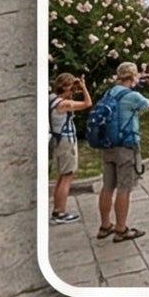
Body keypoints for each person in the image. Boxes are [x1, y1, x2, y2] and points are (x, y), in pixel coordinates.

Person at [91, 59, 149, 243]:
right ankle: (121, 228)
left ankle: (105, 225)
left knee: (107, 186)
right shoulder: (132, 96)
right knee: (124, 188)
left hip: (108, 145)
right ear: (132, 76)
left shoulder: (110, 92)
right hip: (126, 146)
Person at [47, 73, 91, 225]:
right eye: (71, 87)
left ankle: (57, 209)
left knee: (61, 176)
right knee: (67, 176)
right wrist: (84, 87)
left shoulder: (51, 98)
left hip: (57, 139)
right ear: (66, 87)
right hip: (66, 141)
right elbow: (87, 103)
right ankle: (60, 211)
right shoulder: (64, 104)